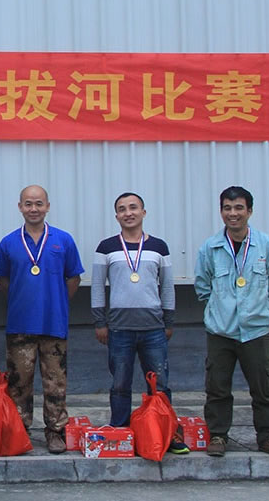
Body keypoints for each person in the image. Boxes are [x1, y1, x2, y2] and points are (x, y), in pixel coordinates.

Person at [194, 186, 269, 459]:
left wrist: (258, 308)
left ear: (249, 211)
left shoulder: (266, 245)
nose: (232, 213)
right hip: (220, 330)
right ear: (221, 211)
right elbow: (203, 286)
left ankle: (267, 437)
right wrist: (219, 309)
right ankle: (218, 435)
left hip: (256, 330)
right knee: (217, 387)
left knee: (264, 388)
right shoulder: (210, 248)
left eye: (238, 208)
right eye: (227, 208)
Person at [91, 192, 188, 454]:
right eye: (122, 209)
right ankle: (121, 432)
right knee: (120, 384)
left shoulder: (159, 247)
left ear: (143, 212)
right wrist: (100, 321)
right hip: (119, 329)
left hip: (153, 329)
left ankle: (165, 432)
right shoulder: (106, 247)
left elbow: (167, 287)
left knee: (160, 384)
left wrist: (168, 321)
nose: (128, 213)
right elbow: (98, 287)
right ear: (116, 216)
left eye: (133, 207)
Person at [0, 185, 83, 454]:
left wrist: (57, 302)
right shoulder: (9, 242)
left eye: (39, 204)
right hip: (20, 324)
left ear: (47, 206)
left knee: (56, 382)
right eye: (28, 204)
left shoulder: (63, 240)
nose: (34, 209)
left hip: (53, 323)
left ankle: (55, 431)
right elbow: (4, 282)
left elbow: (74, 278)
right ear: (20, 206)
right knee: (18, 382)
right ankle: (19, 430)